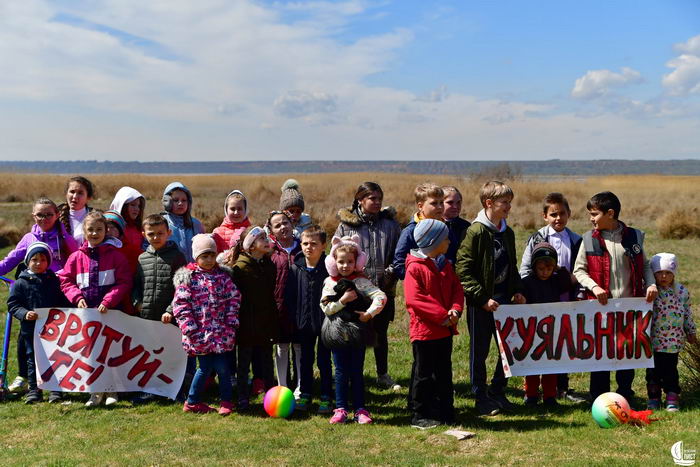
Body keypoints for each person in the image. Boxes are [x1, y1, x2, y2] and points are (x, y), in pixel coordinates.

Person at [573, 191, 657, 402]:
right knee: (601, 353)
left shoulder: (634, 237)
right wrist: (594, 288)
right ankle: (599, 396)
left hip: (630, 308)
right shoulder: (588, 240)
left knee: (626, 352)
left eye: (594, 214)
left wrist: (652, 283)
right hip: (600, 309)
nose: (591, 218)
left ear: (610, 213)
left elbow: (645, 264)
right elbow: (579, 271)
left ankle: (625, 394)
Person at [456, 180, 526, 416]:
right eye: (504, 202)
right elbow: (463, 271)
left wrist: (517, 290)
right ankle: (479, 396)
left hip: (505, 300)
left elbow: (512, 265)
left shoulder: (508, 231)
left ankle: (498, 391)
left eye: (509, 202)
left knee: (508, 348)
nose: (508, 207)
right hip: (481, 304)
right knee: (480, 351)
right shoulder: (475, 231)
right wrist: (482, 298)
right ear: (489, 203)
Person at [0, 197, 78, 394]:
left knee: (57, 336)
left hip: (55, 291)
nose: (44, 218)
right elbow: (12, 259)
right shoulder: (29, 238)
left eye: (49, 214)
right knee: (26, 335)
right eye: (40, 215)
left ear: (57, 215)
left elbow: (77, 257)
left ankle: (58, 378)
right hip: (31, 292)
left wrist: (65, 277)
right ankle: (24, 376)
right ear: (33, 216)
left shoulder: (63, 237)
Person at [58, 211, 132, 407]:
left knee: (110, 352)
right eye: (90, 229)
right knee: (90, 354)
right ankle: (94, 392)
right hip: (87, 314)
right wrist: (77, 297)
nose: (94, 233)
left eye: (99, 229)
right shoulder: (75, 257)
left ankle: (112, 391)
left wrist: (108, 301)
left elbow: (124, 282)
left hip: (110, 312)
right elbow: (65, 280)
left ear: (106, 231)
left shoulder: (116, 256)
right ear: (84, 231)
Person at [519, 192, 585, 403]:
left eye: (562, 214)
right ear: (544, 216)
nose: (558, 218)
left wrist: (578, 291)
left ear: (569, 214)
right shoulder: (537, 238)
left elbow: (580, 269)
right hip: (538, 299)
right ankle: (532, 391)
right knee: (539, 344)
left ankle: (560, 388)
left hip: (565, 296)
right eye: (553, 214)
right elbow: (525, 268)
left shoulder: (576, 240)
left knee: (561, 343)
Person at [335, 182, 401, 390]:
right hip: (355, 291)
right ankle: (356, 376)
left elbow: (399, 254)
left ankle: (383, 374)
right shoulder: (347, 225)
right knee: (355, 334)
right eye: (372, 198)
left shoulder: (390, 226)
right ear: (360, 200)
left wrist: (390, 275)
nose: (377, 202)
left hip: (383, 289)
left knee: (380, 334)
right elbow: (336, 256)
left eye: (379, 198)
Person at [321, 235, 387, 425]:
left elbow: (380, 296)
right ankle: (340, 408)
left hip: (358, 333)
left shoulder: (362, 281)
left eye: (350, 261)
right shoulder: (330, 283)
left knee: (357, 370)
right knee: (340, 371)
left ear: (357, 262)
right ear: (334, 262)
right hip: (336, 333)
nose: (345, 266)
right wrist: (343, 301)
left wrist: (369, 314)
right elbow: (325, 306)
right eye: (341, 262)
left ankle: (360, 409)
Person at [172, 234, 241, 415]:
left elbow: (234, 298)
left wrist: (231, 321)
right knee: (204, 368)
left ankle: (226, 401)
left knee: (223, 368)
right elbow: (180, 305)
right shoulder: (189, 279)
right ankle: (192, 401)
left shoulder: (223, 277)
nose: (209, 260)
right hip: (200, 335)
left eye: (211, 255)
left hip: (221, 333)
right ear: (196, 258)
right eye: (204, 256)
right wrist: (190, 328)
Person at [404, 219, 463, 429]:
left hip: (445, 331)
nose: (449, 241)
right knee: (424, 375)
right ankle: (420, 414)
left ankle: (446, 411)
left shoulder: (444, 264)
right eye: (445, 238)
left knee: (444, 373)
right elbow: (415, 299)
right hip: (425, 332)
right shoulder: (415, 268)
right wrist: (442, 316)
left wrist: (455, 310)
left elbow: (457, 288)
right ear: (433, 241)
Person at [131, 214, 187, 404]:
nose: (156, 237)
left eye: (160, 233)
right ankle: (149, 389)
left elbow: (181, 288)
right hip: (147, 317)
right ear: (143, 234)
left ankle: (175, 389)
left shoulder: (177, 257)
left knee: (171, 355)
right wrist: (136, 302)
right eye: (151, 234)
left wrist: (171, 310)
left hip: (169, 318)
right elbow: (136, 285)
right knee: (148, 355)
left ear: (169, 233)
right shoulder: (141, 259)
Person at [7, 242, 70, 404]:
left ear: (48, 262)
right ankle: (34, 390)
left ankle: (56, 390)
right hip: (30, 330)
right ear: (28, 261)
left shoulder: (53, 281)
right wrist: (25, 314)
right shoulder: (20, 283)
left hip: (53, 330)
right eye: (34, 259)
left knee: (56, 358)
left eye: (43, 260)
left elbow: (62, 300)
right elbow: (13, 304)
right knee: (32, 360)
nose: (38, 263)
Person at [229, 226, 279, 410]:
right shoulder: (239, 268)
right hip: (246, 325)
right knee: (244, 363)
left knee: (267, 362)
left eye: (266, 237)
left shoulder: (269, 264)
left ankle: (271, 397)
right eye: (261, 238)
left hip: (265, 323)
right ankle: (243, 397)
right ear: (250, 246)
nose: (267, 241)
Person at [284, 225, 332, 414]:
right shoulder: (296, 267)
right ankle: (305, 393)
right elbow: (290, 296)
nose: (308, 247)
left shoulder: (329, 268)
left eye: (314, 244)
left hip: (325, 323)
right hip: (302, 323)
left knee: (324, 361)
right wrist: (294, 318)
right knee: (304, 360)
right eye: (305, 243)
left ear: (323, 245)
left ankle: (327, 396)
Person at [521, 243, 572, 408]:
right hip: (533, 330)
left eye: (549, 269)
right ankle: (531, 395)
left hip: (552, 330)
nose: (545, 272)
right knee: (532, 365)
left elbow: (568, 282)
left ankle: (550, 396)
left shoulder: (556, 281)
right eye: (541, 268)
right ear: (534, 266)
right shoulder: (527, 282)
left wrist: (558, 268)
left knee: (550, 364)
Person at [645, 253, 696, 412]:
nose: (664, 276)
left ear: (674, 273)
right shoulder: (651, 292)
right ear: (653, 274)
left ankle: (672, 398)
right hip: (653, 341)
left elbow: (687, 312)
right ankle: (654, 398)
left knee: (670, 371)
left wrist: (691, 331)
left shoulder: (681, 292)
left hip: (673, 342)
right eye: (659, 273)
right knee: (652, 372)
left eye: (668, 272)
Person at [266, 211, 302, 397]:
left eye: (285, 223)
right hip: (278, 307)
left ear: (292, 223)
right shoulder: (270, 251)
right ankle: (282, 386)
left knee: (299, 345)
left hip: (300, 307)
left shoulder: (303, 248)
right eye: (277, 225)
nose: (283, 227)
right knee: (281, 346)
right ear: (271, 230)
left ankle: (300, 387)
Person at [391, 183, 445, 281]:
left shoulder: (445, 228)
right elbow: (399, 263)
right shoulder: (411, 231)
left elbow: (452, 255)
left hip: (444, 285)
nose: (440, 207)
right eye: (434, 203)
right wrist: (417, 280)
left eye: (442, 202)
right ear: (420, 206)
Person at [161, 182, 204, 262]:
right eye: (176, 200)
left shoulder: (195, 224)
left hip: (193, 271)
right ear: (167, 201)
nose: (180, 203)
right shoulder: (161, 223)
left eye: (184, 200)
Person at [109, 186, 147, 273]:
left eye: (139, 206)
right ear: (122, 205)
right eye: (132, 205)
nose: (137, 209)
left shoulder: (140, 229)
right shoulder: (111, 228)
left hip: (137, 273)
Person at [57, 176, 95, 245]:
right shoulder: (55, 217)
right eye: (72, 192)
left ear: (88, 197)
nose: (75, 196)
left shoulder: (96, 218)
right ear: (66, 194)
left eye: (80, 193)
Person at [442, 186, 470, 265]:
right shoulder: (432, 226)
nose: (455, 206)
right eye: (450, 202)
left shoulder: (467, 227)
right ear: (440, 203)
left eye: (458, 202)